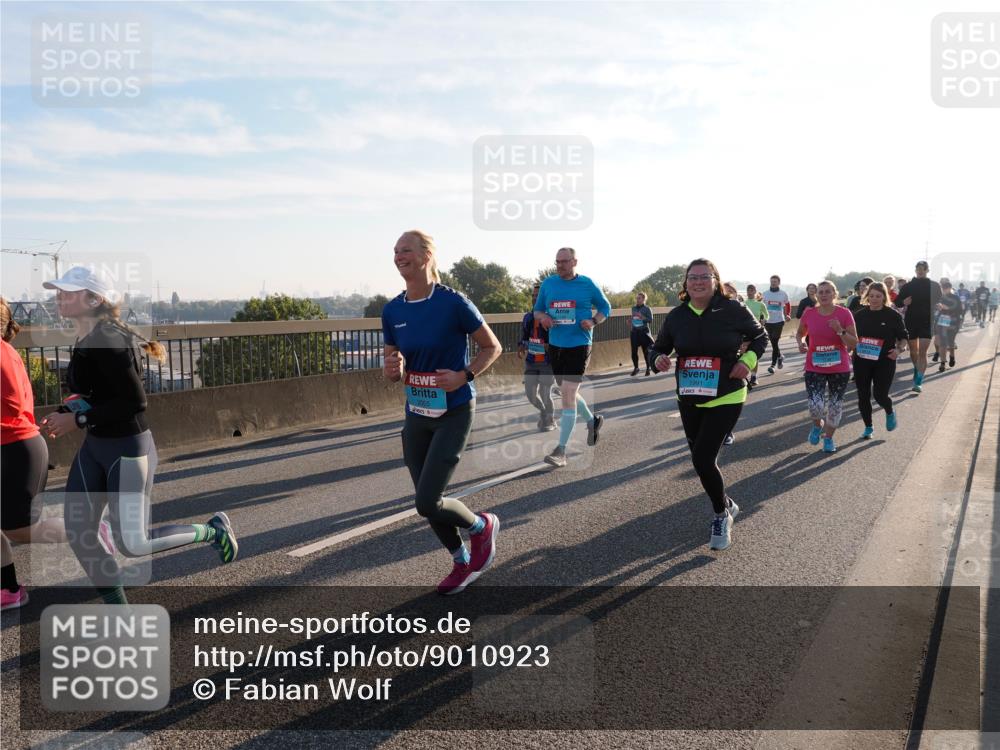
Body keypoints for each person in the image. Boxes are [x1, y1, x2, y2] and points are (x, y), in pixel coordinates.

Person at [40, 268, 239, 607]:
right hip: (96, 447)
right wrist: (66, 411)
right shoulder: (87, 337)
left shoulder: (109, 340)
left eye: (68, 291)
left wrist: (79, 419)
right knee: (80, 531)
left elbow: (135, 401)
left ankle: (212, 531)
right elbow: (96, 392)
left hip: (128, 450)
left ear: (94, 299)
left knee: (132, 543)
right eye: (58, 290)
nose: (60, 296)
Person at [382, 231, 502, 595]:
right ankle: (461, 560)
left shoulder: (453, 302)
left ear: (426, 256)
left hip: (454, 410)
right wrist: (393, 371)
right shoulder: (392, 310)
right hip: (417, 411)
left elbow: (491, 347)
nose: (399, 256)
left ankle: (481, 526)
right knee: (426, 499)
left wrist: (464, 374)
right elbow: (395, 364)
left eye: (406, 250)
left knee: (426, 501)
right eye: (395, 251)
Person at [650, 259, 767, 551]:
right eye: (693, 278)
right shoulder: (677, 316)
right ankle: (725, 502)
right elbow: (659, 347)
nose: (698, 282)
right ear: (685, 283)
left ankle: (720, 515)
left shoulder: (732, 309)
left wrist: (747, 361)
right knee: (702, 462)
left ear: (715, 280)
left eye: (704, 277)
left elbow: (759, 337)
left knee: (702, 459)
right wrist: (657, 359)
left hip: (727, 393)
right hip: (689, 396)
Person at [1, 299, 77, 610]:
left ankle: (87, 530)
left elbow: (13, 408)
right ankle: (8, 589)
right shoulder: (7, 350)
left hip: (17, 449)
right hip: (15, 446)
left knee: (19, 530)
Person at [534, 247, 612, 468]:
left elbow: (606, 307)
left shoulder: (587, 284)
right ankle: (592, 420)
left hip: (579, 344)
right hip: (556, 345)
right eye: (557, 262)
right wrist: (544, 318)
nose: (559, 265)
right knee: (570, 391)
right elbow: (537, 311)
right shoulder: (548, 284)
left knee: (567, 393)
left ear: (574, 261)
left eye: (564, 262)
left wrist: (594, 321)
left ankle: (561, 450)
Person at [795, 280, 858, 453]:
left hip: (839, 367)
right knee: (815, 407)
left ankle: (828, 438)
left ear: (834, 294)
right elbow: (800, 333)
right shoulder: (809, 313)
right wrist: (801, 343)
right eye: (820, 292)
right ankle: (817, 425)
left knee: (835, 406)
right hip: (814, 366)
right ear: (816, 295)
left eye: (827, 292)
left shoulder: (844, 314)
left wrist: (840, 330)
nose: (823, 295)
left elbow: (854, 342)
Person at [852, 283, 908, 439]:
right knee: (863, 395)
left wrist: (898, 350)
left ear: (884, 296)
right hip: (862, 360)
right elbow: (851, 336)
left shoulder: (893, 315)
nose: (874, 299)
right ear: (867, 297)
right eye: (871, 296)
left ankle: (889, 411)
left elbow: (903, 338)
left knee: (880, 395)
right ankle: (868, 427)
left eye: (878, 296)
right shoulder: (859, 315)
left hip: (885, 360)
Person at [897, 261, 942, 393]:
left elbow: (940, 299)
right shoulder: (908, 286)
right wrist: (903, 302)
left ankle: (919, 381)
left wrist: (939, 304)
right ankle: (917, 369)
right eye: (918, 269)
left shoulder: (934, 285)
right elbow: (897, 302)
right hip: (911, 321)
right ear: (915, 270)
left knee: (923, 352)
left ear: (927, 270)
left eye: (923, 269)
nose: (920, 271)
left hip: (927, 322)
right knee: (913, 352)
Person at [518, 283, 555, 431]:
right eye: (532, 296)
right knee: (530, 394)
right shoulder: (527, 317)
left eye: (537, 296)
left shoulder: (552, 317)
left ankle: (550, 419)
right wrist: (520, 345)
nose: (534, 298)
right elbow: (524, 335)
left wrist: (549, 346)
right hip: (531, 361)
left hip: (547, 362)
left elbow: (558, 339)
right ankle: (544, 412)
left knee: (545, 393)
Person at [761, 275, 791, 374]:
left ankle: (773, 365)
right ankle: (780, 357)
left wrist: (787, 314)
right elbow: (761, 307)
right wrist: (761, 318)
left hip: (779, 321)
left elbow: (787, 304)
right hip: (768, 321)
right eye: (772, 281)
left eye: (775, 281)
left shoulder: (783, 294)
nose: (773, 283)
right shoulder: (765, 294)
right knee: (774, 342)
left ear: (779, 283)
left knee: (775, 340)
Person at [934, 279, 962, 372]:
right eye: (943, 288)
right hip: (943, 320)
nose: (945, 289)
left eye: (946, 288)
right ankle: (942, 363)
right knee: (943, 343)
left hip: (954, 321)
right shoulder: (940, 298)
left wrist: (948, 308)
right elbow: (935, 309)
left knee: (951, 342)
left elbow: (960, 311)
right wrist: (937, 308)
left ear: (950, 288)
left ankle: (952, 356)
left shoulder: (956, 298)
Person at [743, 284, 767, 390]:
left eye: (752, 290)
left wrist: (763, 320)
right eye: (748, 290)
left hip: (756, 332)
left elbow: (766, 315)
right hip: (743, 332)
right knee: (743, 354)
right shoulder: (743, 303)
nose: (750, 292)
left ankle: (753, 376)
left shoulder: (760, 304)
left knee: (753, 353)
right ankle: (744, 376)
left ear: (755, 292)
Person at [629, 291, 654, 377]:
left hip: (644, 332)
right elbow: (633, 318)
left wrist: (642, 318)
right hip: (635, 332)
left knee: (645, 351)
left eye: (639, 298)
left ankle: (648, 368)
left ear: (644, 299)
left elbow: (650, 320)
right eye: (637, 298)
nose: (637, 299)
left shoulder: (647, 309)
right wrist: (631, 323)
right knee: (633, 351)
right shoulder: (633, 308)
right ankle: (636, 368)